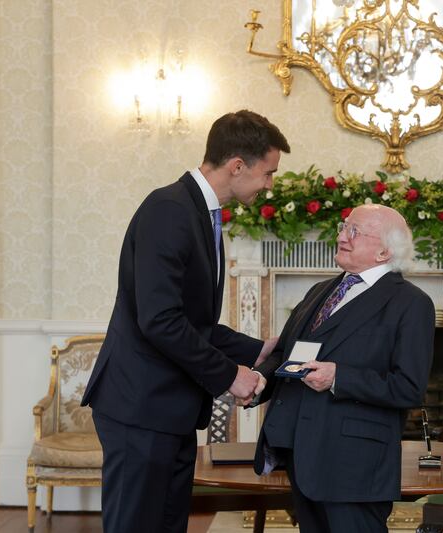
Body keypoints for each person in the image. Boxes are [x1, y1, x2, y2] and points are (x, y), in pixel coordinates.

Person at [81, 109, 290, 533]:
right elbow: (159, 320)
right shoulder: (169, 209)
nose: (270, 184)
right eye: (268, 173)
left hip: (168, 408)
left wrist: (257, 350)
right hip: (140, 406)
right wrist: (231, 375)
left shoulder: (200, 213)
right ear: (237, 166)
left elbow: (194, 322)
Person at [252, 204, 434, 533]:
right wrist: (255, 383)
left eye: (354, 231)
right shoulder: (320, 291)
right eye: (343, 227)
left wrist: (339, 378)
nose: (341, 237)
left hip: (355, 464)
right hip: (301, 452)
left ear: (384, 251)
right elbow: (287, 354)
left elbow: (408, 387)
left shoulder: (411, 303)